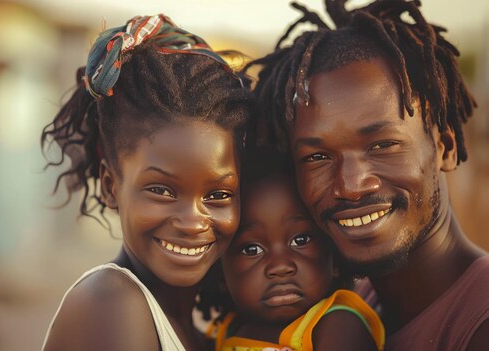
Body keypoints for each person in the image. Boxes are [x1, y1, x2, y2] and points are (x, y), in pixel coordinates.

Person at [247, 0, 489, 349]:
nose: (351, 185)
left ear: (445, 148)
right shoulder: (346, 310)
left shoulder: (478, 324)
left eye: (382, 145)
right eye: (317, 156)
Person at [40, 14, 251, 351]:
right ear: (111, 186)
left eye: (218, 194)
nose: (193, 221)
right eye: (162, 190)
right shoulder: (111, 303)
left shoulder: (200, 321)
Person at [197, 147, 384, 351]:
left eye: (300, 240)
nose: (280, 266)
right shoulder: (226, 331)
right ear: (221, 272)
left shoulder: (338, 324)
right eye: (252, 249)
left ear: (333, 254)